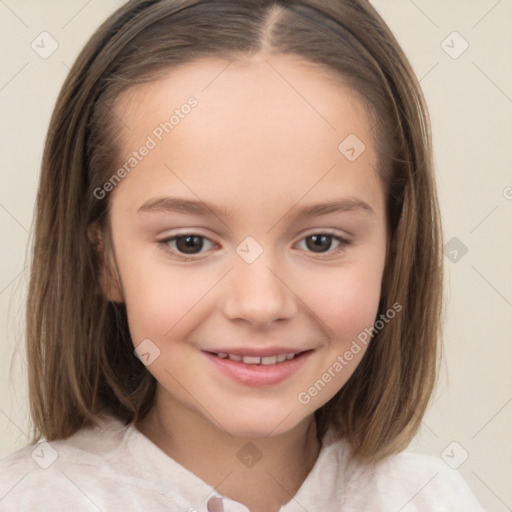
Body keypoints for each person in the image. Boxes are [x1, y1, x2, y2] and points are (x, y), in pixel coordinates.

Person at [0, 0, 485, 510]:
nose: (259, 304)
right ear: (105, 261)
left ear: (395, 251)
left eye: (321, 241)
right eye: (189, 242)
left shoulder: (428, 499)